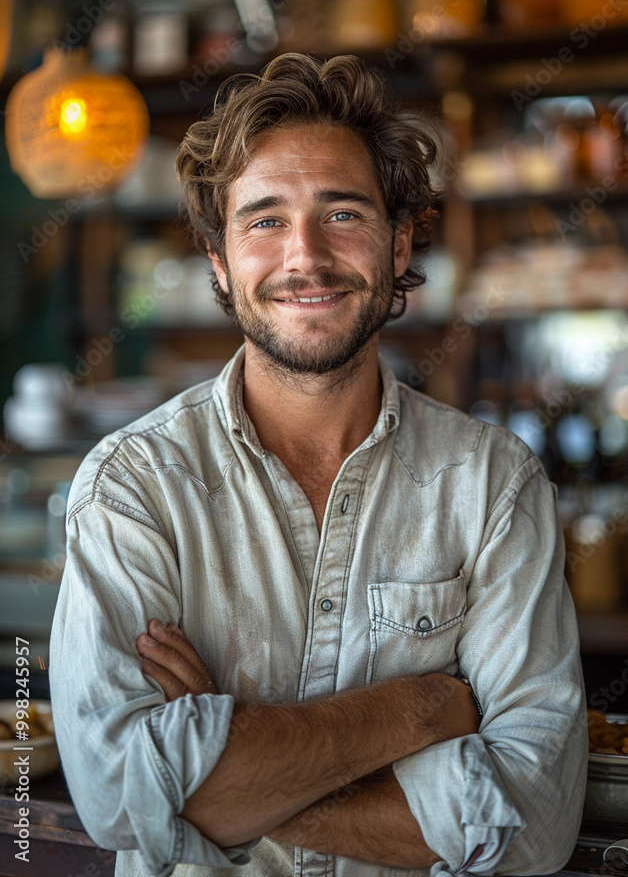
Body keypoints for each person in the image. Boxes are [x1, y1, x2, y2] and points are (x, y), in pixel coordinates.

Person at [49, 52, 588, 877]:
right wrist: (418, 711)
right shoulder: (134, 484)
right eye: (263, 219)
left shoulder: (493, 486)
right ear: (220, 261)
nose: (305, 255)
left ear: (400, 238)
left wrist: (230, 763)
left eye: (342, 213)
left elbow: (537, 821)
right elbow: (121, 796)